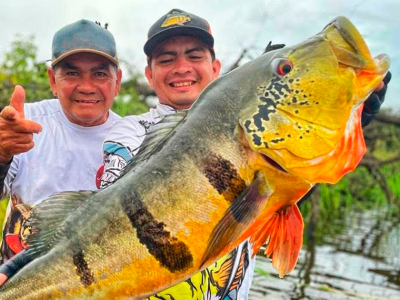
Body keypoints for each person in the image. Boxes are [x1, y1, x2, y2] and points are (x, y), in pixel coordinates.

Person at [100, 8, 391, 300]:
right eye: (166, 59)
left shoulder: (263, 143)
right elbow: (112, 216)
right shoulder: (131, 134)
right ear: (149, 75)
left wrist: (346, 117)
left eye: (195, 55)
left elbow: (270, 197)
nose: (182, 67)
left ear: (215, 69)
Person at [0, 19, 122, 280]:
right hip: (19, 282)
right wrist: (2, 155)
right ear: (52, 80)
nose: (86, 86)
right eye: (72, 73)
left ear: (117, 81)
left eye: (100, 73)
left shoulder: (131, 139)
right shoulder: (25, 123)